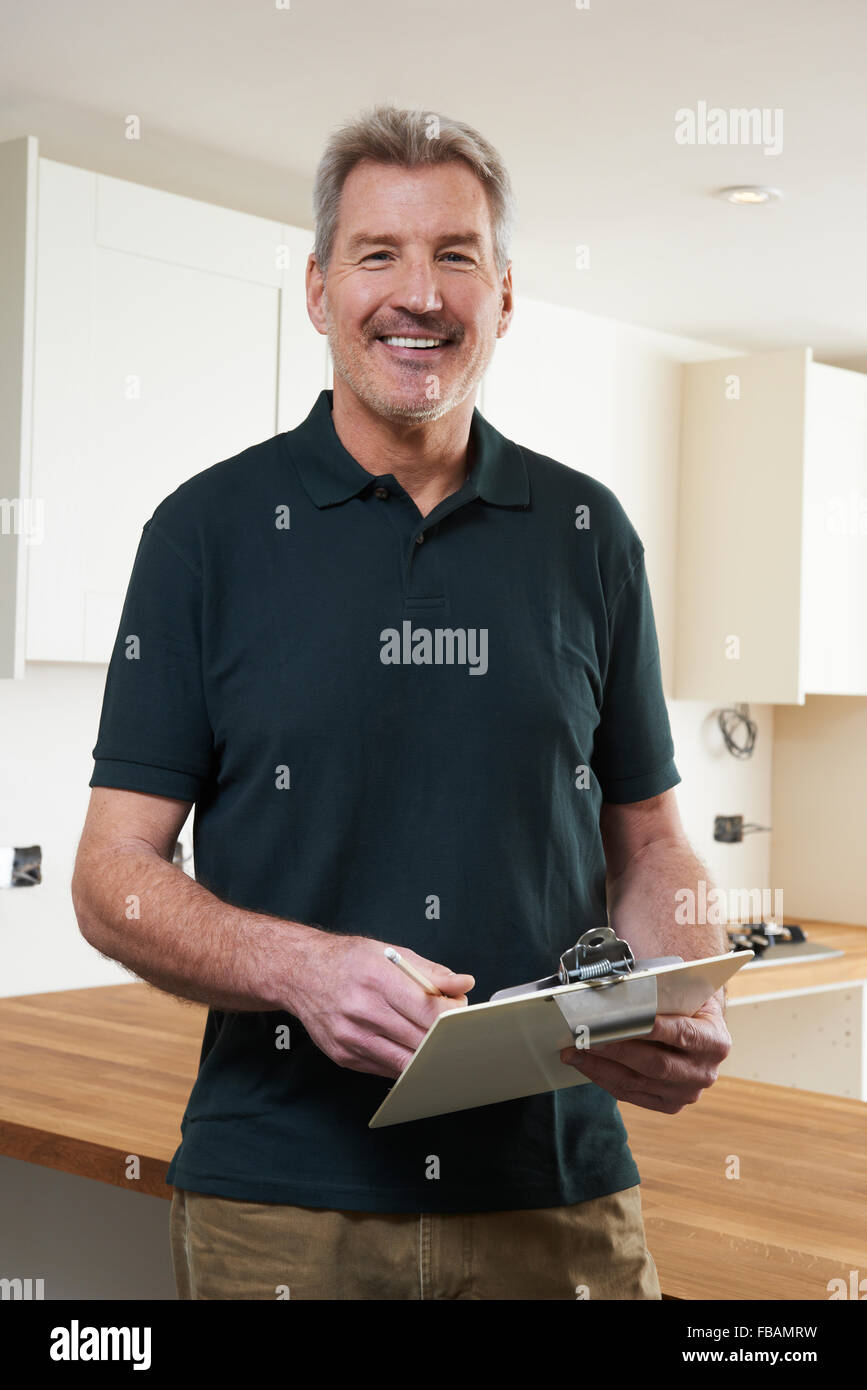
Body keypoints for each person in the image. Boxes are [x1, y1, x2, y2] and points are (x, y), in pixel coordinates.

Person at [71, 104, 731, 1301]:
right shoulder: (204, 535)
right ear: (320, 290)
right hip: (277, 1199)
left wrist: (675, 979)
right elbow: (113, 875)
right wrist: (300, 969)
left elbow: (654, 842)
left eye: (456, 255)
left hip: (558, 1192)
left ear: (507, 295)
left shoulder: (590, 535)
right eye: (379, 254)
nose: (417, 293)